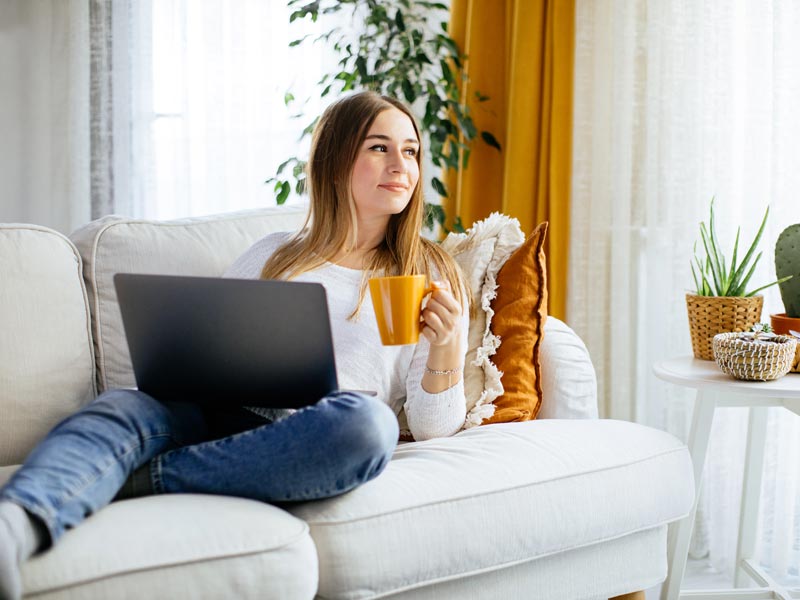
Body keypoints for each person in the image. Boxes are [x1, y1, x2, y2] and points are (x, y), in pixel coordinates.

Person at [0, 90, 469, 600]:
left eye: (411, 151)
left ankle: (140, 479)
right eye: (380, 147)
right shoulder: (277, 254)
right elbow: (206, 343)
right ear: (337, 162)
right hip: (213, 412)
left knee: (367, 426)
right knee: (122, 405)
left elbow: (433, 427)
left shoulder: (431, 272)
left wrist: (446, 347)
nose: (400, 164)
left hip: (306, 434)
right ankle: (16, 526)